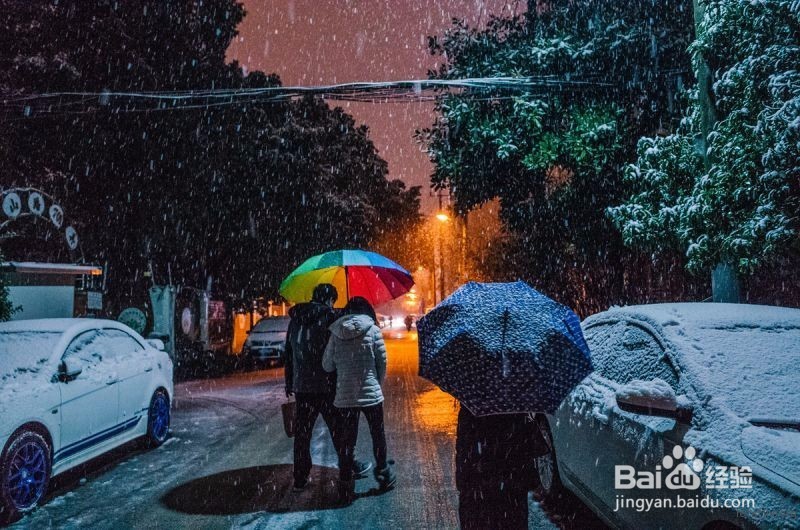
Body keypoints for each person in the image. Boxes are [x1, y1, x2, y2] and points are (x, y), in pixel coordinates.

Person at [283, 284, 370, 491]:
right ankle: (348, 465)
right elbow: (341, 348)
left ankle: (300, 477)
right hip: (327, 384)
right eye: (333, 300)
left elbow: (288, 352)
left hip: (302, 385)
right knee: (339, 430)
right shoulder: (331, 317)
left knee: (303, 434)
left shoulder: (296, 319)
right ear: (329, 299)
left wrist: (289, 381)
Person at [323, 296, 395, 503]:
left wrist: (342, 366)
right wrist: (375, 385)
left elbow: (327, 365)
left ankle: (345, 482)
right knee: (377, 434)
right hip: (371, 394)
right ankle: (383, 473)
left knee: (347, 440)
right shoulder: (373, 330)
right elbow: (382, 363)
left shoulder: (336, 333)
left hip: (345, 397)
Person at [455, 406, 545, 530]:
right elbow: (532, 448)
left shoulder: (471, 409)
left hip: (478, 486)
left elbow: (463, 449)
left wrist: (463, 482)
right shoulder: (517, 407)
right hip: (511, 488)